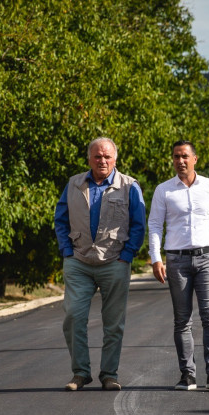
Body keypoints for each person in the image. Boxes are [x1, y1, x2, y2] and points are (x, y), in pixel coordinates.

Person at [54, 137, 146, 391]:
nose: (102, 160)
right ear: (89, 159)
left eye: (107, 156)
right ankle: (80, 373)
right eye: (97, 156)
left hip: (115, 261)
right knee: (73, 317)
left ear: (115, 159)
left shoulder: (129, 186)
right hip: (79, 261)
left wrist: (127, 255)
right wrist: (67, 252)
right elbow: (60, 219)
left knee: (114, 323)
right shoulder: (74, 184)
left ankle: (109, 375)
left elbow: (138, 224)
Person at [148, 140, 209, 391]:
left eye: (185, 156)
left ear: (195, 159)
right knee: (182, 320)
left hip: (207, 258)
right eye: (176, 156)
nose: (180, 161)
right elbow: (155, 225)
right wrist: (156, 258)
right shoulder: (164, 190)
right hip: (177, 261)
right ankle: (187, 375)